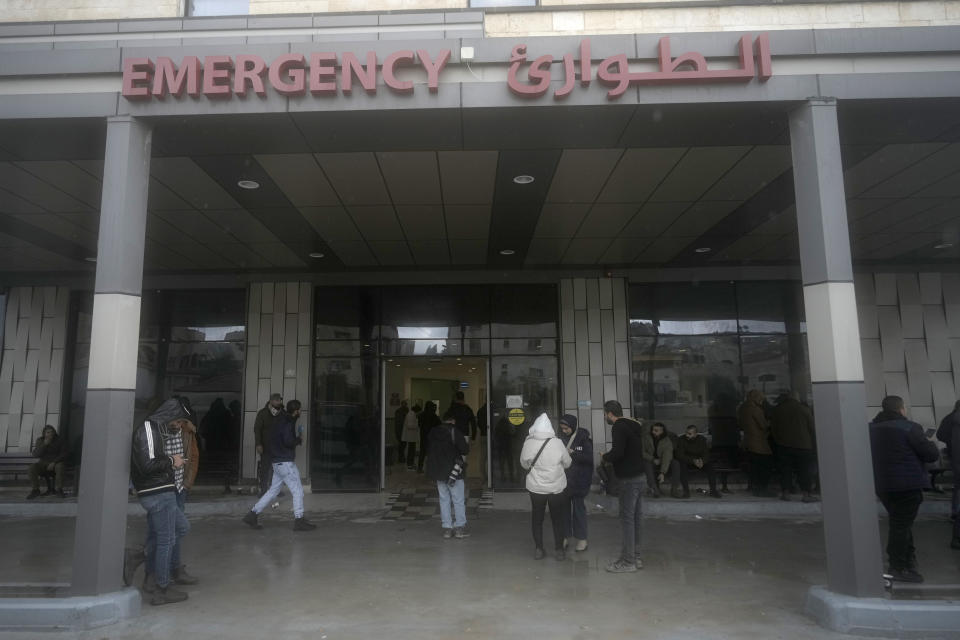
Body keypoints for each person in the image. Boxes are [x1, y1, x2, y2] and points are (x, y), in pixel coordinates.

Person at [869, 395, 940, 583]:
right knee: (900, 525)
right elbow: (931, 455)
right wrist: (928, 442)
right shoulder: (910, 427)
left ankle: (907, 561)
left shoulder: (871, 428)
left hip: (883, 484)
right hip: (908, 484)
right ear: (901, 409)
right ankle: (898, 566)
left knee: (900, 522)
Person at [129, 398, 191, 605]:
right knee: (166, 539)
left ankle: (140, 556)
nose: (179, 425)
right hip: (156, 492)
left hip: (163, 490)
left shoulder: (155, 429)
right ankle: (161, 589)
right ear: (170, 414)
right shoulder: (148, 428)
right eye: (178, 421)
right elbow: (147, 464)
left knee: (180, 529)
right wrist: (174, 461)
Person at [140, 399, 200, 593]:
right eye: (175, 421)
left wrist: (187, 483)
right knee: (158, 533)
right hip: (161, 490)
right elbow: (147, 459)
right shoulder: (155, 433)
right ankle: (152, 574)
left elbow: (193, 455)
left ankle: (174, 569)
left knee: (175, 532)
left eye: (181, 421)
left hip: (179, 489)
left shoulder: (187, 431)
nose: (178, 425)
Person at [243, 400, 316, 532]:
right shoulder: (287, 422)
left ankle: (252, 514)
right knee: (298, 490)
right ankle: (299, 520)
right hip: (286, 463)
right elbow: (288, 441)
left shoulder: (280, 420)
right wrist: (298, 439)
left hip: (277, 462)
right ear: (295, 411)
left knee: (272, 491)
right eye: (299, 410)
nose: (300, 412)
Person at [601, 400, 648, 573]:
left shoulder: (618, 427)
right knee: (636, 518)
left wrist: (605, 456)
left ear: (610, 413)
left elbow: (618, 453)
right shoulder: (633, 426)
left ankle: (628, 562)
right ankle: (636, 556)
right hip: (640, 477)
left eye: (605, 414)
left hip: (628, 480)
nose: (605, 417)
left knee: (627, 520)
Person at [521, 413, 571, 561]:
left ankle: (539, 549)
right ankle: (559, 550)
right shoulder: (557, 443)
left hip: (536, 488)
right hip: (556, 488)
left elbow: (524, 464)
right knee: (558, 519)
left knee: (537, 518)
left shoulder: (528, 443)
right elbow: (568, 463)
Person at [426, 412, 470, 539]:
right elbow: (465, 450)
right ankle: (459, 528)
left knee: (444, 499)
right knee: (458, 500)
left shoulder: (433, 432)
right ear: (453, 421)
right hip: (454, 472)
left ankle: (447, 528)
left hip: (439, 472)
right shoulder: (454, 432)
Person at [771, 391, 819, 503]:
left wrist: (779, 440)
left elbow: (774, 428)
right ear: (797, 398)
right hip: (803, 445)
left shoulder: (778, 409)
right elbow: (812, 427)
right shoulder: (804, 409)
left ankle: (786, 493)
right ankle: (806, 494)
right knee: (804, 470)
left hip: (784, 445)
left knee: (785, 470)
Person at [558, 414, 593, 552]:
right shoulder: (559, 438)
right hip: (564, 481)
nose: (564, 430)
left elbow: (589, 459)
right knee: (564, 511)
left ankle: (582, 539)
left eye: (566, 428)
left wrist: (573, 453)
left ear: (572, 426)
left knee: (578, 511)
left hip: (579, 481)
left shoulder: (584, 439)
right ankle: (565, 537)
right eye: (562, 428)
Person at [739, 389, 774, 497]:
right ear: (756, 397)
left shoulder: (742, 408)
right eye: (760, 398)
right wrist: (770, 422)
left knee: (754, 466)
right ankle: (762, 489)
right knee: (764, 466)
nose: (762, 400)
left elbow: (740, 424)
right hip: (759, 443)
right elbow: (763, 425)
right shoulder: (756, 409)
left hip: (747, 441)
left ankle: (754, 487)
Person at [936, 400, 960, 549]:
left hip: (955, 456)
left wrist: (951, 442)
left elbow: (940, 435)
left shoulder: (949, 418)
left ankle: (954, 512)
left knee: (957, 488)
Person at [675, 425, 723, 499]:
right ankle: (686, 492)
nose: (687, 435)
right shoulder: (681, 439)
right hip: (688, 461)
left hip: (699, 462)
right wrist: (693, 461)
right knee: (682, 466)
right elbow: (680, 455)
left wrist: (702, 461)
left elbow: (706, 453)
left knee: (710, 467)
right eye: (686, 433)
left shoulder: (702, 439)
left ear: (695, 434)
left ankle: (713, 491)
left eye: (689, 434)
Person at [26, 425, 68, 499]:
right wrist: (44, 445)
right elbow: (36, 454)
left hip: (56, 463)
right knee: (32, 467)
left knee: (60, 466)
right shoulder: (40, 440)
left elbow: (64, 454)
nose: (50, 434)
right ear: (44, 434)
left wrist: (54, 462)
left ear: (54, 433)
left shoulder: (60, 440)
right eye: (48, 432)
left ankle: (59, 490)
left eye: (52, 432)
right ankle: (36, 490)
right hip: (43, 464)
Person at [253, 393, 284, 496]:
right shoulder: (263, 413)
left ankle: (276, 490)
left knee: (278, 470)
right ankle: (263, 490)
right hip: (265, 446)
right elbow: (257, 429)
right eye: (276, 400)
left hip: (279, 446)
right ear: (271, 401)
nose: (278, 402)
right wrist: (258, 444)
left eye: (279, 400)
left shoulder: (282, 412)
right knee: (265, 469)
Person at [648, 422, 681, 498]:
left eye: (656, 430)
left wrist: (662, 472)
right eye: (653, 430)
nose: (653, 432)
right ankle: (655, 489)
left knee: (675, 463)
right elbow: (643, 452)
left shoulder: (667, 441)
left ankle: (674, 489)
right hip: (650, 459)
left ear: (662, 432)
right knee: (649, 464)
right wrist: (653, 459)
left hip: (663, 460)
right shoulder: (647, 438)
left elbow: (667, 456)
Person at [417, 401, 440, 473]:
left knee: (422, 453)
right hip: (432, 437)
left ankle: (420, 468)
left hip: (423, 436)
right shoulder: (434, 416)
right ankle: (431, 469)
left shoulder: (421, 415)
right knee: (431, 454)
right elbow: (439, 425)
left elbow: (419, 425)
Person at [401, 404, 422, 470]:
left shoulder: (412, 414)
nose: (419, 413)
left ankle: (411, 463)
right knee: (411, 450)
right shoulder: (411, 414)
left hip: (412, 436)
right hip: (410, 436)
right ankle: (409, 464)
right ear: (417, 410)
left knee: (412, 450)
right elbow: (410, 426)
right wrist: (418, 425)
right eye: (419, 412)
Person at [394, 399, 409, 464]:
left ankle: (401, 458)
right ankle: (401, 458)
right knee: (401, 445)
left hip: (403, 431)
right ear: (402, 404)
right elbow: (400, 422)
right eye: (404, 404)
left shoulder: (406, 410)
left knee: (403, 445)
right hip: (400, 431)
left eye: (405, 404)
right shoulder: (399, 411)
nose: (405, 405)